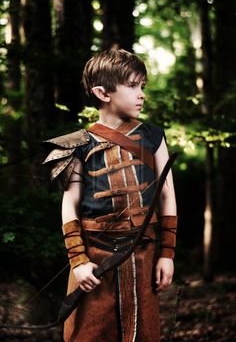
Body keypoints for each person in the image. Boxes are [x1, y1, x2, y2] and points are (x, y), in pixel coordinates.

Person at [43, 48, 178, 341]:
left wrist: (166, 253)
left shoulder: (154, 136)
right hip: (95, 260)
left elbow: (167, 196)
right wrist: (78, 261)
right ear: (103, 93)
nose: (141, 94)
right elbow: (70, 204)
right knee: (90, 333)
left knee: (142, 332)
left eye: (143, 86)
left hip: (142, 256)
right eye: (133, 85)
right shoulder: (77, 144)